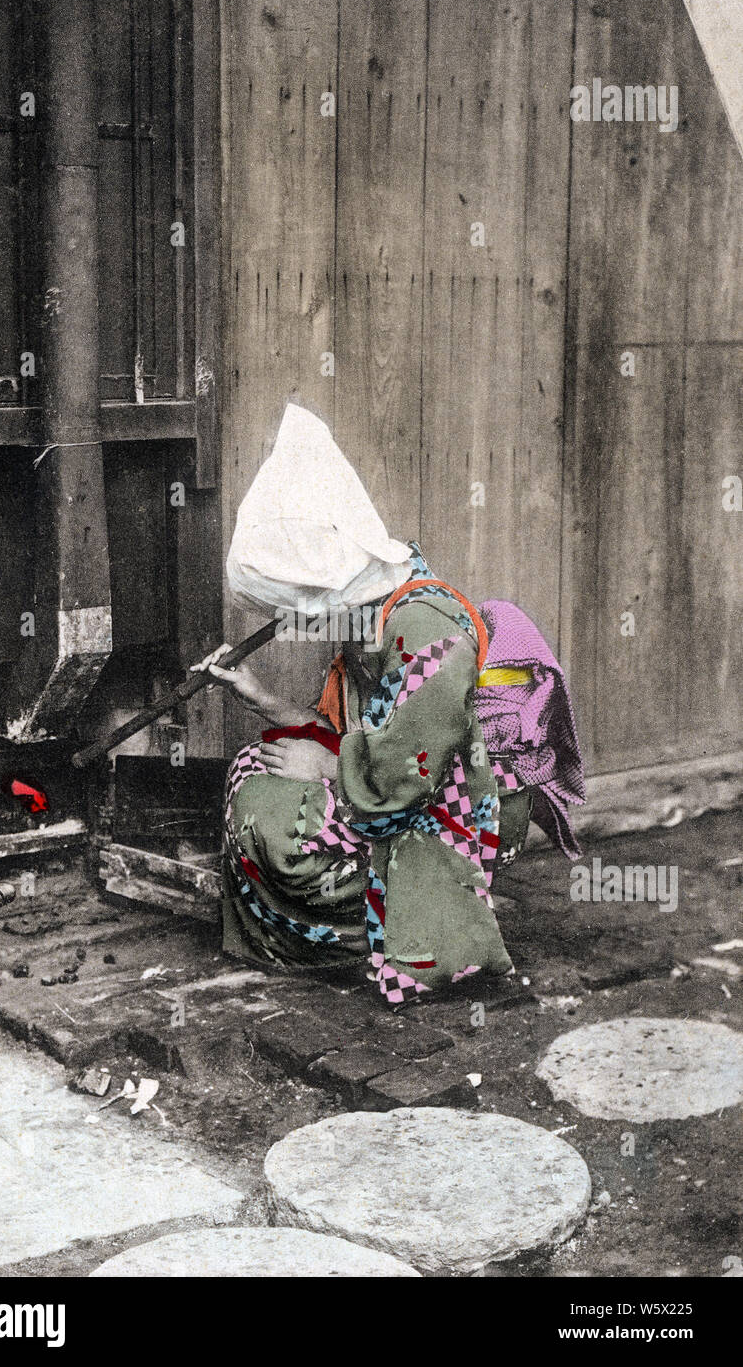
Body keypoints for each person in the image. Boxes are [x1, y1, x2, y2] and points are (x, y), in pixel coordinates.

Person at [201, 403, 583, 1005]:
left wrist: (323, 766)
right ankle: (345, 931)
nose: (294, 617)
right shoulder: (373, 610)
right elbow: (363, 730)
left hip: (459, 808)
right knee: (256, 766)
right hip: (396, 779)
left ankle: (383, 935)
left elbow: (407, 773)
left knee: (280, 834)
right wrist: (261, 697)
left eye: (296, 600)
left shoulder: (422, 625)